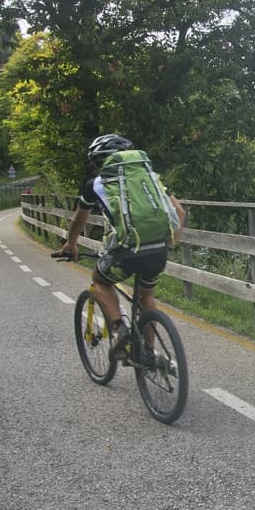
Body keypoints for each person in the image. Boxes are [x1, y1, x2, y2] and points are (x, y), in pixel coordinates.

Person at [56, 134, 186, 355]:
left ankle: (119, 328)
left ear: (98, 162)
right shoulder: (151, 179)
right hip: (158, 251)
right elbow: (180, 212)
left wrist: (71, 244)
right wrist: (168, 242)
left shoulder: (95, 184)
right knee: (147, 296)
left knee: (99, 280)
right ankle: (149, 352)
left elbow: (79, 218)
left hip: (126, 253)